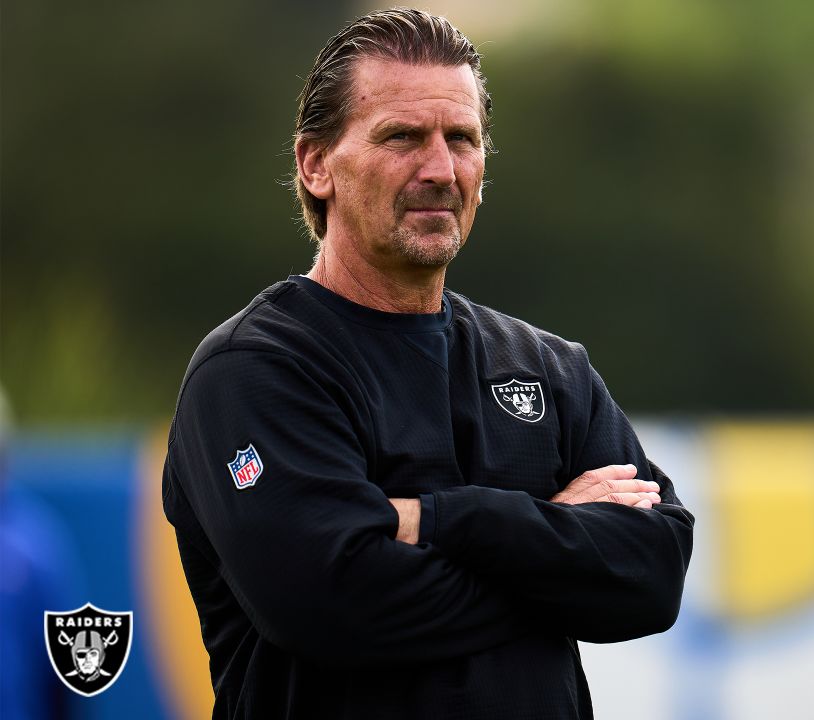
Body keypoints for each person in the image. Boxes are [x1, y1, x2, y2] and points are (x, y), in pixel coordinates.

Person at [161, 8, 694, 719]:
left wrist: (439, 522)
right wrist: (552, 546)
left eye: (462, 140)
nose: (440, 169)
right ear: (315, 164)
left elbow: (652, 576)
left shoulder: (549, 368)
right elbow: (335, 606)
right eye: (403, 137)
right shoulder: (253, 371)